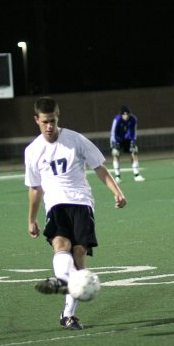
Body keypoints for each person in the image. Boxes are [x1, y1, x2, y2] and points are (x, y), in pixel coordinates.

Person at [25, 96, 127, 330]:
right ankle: (66, 283)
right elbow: (34, 188)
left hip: (81, 203)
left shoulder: (76, 140)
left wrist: (117, 192)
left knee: (79, 255)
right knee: (61, 245)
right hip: (56, 205)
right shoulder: (32, 151)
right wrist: (31, 219)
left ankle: (67, 312)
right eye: (44, 122)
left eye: (52, 121)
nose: (49, 126)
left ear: (57, 117)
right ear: (36, 120)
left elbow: (99, 167)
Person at [110, 106, 145, 182]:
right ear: (121, 115)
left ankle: (136, 175)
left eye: (128, 114)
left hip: (128, 139)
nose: (126, 116)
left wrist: (133, 141)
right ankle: (117, 176)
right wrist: (114, 143)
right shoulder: (117, 119)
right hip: (118, 139)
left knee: (134, 152)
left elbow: (134, 131)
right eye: (124, 115)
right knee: (116, 154)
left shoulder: (133, 119)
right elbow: (113, 132)